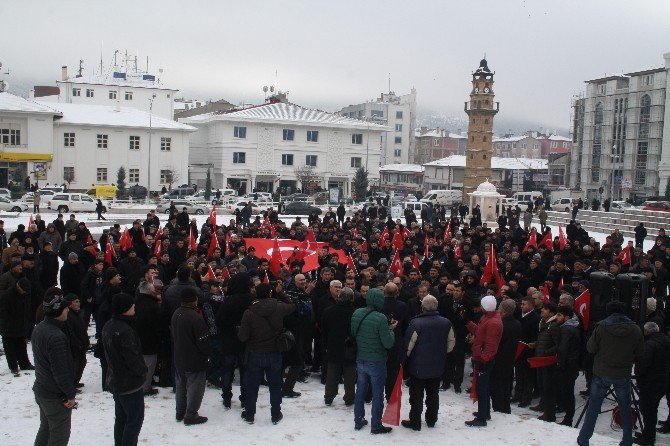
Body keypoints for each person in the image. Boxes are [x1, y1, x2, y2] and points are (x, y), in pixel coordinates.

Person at [577, 301, 645, 446]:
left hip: (602, 372)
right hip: (623, 373)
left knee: (593, 408)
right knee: (625, 408)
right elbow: (640, 352)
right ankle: (627, 440)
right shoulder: (635, 329)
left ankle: (584, 439)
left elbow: (590, 348)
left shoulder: (602, 327)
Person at [238, 282, 296, 425]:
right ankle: (276, 413)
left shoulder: (249, 312)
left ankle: (250, 414)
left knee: (252, 386)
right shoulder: (278, 306)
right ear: (270, 293)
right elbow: (292, 306)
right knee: (275, 385)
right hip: (274, 352)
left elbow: (242, 337)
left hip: (255, 353)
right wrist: (281, 293)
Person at [399, 295, 454, 431]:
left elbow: (408, 346)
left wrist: (403, 360)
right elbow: (451, 344)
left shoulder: (416, 323)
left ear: (422, 307)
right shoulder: (446, 323)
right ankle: (431, 420)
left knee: (416, 396)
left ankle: (415, 421)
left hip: (418, 367)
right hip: (437, 365)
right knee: (433, 394)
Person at [102, 293, 147, 446]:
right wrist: (143, 371)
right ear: (124, 309)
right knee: (134, 421)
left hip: (115, 380)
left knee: (121, 418)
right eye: (131, 305)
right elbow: (132, 358)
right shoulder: (125, 330)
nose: (134, 306)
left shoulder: (109, 325)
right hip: (129, 384)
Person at [32, 291, 77, 446]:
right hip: (54, 396)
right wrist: (70, 394)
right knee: (59, 436)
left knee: (45, 430)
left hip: (42, 390)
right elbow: (60, 371)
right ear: (58, 311)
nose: (68, 310)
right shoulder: (56, 336)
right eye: (65, 308)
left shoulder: (39, 328)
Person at [351, 288, 397, 434]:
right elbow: (388, 343)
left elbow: (354, 334)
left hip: (360, 358)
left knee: (360, 391)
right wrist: (390, 330)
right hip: (376, 361)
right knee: (377, 394)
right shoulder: (381, 318)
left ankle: (358, 420)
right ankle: (376, 425)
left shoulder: (356, 313)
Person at [172, 287, 212, 425]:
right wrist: (207, 354)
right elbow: (203, 341)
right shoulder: (195, 317)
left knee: (181, 385)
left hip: (179, 356)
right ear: (194, 300)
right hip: (194, 359)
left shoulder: (177, 313)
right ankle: (191, 414)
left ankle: (180, 411)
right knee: (195, 387)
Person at [464, 295, 503, 427]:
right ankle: (485, 412)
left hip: (484, 360)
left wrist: (483, 360)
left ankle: (482, 418)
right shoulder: (488, 317)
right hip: (480, 357)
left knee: (482, 388)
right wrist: (468, 322)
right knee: (483, 387)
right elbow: (480, 332)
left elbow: (491, 345)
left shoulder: (493, 322)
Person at [633, 322, 670, 446]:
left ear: (647, 332)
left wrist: (638, 377)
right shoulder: (665, 340)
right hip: (663, 380)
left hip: (650, 382)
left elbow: (643, 364)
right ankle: (647, 433)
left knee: (648, 410)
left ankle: (648, 437)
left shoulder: (649, 344)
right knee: (652, 409)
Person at [321, 286, 356, 406]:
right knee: (350, 373)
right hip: (350, 346)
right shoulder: (355, 313)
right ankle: (350, 398)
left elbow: (324, 330)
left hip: (333, 346)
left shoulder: (328, 311)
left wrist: (326, 344)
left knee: (332, 372)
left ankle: (329, 396)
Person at [490, 299, 521, 414]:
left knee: (497, 387)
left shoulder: (501, 325)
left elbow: (496, 342)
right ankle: (505, 408)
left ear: (502, 311)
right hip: (510, 359)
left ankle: (499, 409)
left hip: (498, 359)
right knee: (506, 386)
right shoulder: (517, 323)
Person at [532, 301, 560, 422]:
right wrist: (536, 345)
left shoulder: (553, 326)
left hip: (547, 361)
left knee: (548, 387)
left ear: (551, 312)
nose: (542, 310)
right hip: (540, 359)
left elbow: (557, 345)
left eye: (545, 309)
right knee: (541, 385)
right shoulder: (543, 323)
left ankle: (549, 414)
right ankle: (544, 406)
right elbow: (544, 340)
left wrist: (545, 352)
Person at [0, 277, 34, 375]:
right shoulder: (6, 296)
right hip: (8, 326)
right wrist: (6, 325)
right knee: (9, 348)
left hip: (20, 324)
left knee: (21, 346)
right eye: (24, 290)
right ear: (19, 286)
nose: (25, 292)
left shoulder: (25, 293)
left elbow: (27, 308)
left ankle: (25, 364)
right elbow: (3, 314)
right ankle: (13, 366)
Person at [555, 305, 580, 426]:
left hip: (567, 366)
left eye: (559, 315)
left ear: (567, 317)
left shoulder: (566, 329)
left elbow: (563, 349)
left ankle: (568, 418)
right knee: (569, 391)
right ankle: (568, 417)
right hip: (572, 365)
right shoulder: (574, 327)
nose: (556, 318)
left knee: (568, 392)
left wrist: (560, 364)